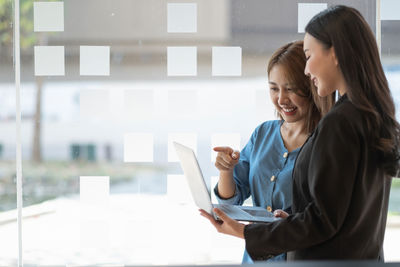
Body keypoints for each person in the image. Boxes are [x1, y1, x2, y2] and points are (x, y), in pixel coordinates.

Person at [201, 5, 400, 260]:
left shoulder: (340, 122)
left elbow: (322, 220)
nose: (307, 70)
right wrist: (293, 219)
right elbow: (340, 211)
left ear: (335, 53)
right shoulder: (368, 115)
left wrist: (245, 233)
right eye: (274, 88)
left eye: (309, 55)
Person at [212, 40, 333, 263]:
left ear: (311, 85)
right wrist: (226, 170)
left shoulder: (326, 143)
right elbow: (230, 203)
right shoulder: (263, 133)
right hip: (255, 258)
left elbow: (324, 217)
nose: (281, 99)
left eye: (291, 89)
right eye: (274, 88)